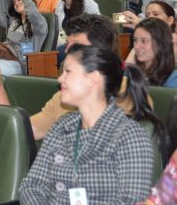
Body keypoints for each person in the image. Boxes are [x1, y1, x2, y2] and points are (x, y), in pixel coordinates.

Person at [0, 13, 151, 140]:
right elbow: (22, 133)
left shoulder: (129, 93)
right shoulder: (64, 96)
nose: (67, 51)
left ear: (100, 52)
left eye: (76, 46)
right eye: (68, 44)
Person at [19, 45, 155, 205]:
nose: (60, 79)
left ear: (93, 79)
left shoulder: (130, 136)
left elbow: (131, 201)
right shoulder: (62, 126)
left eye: (68, 72)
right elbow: (32, 185)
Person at [127, 17, 177, 88]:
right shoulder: (134, 73)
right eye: (135, 40)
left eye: (144, 41)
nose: (136, 46)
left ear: (160, 44)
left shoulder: (174, 77)